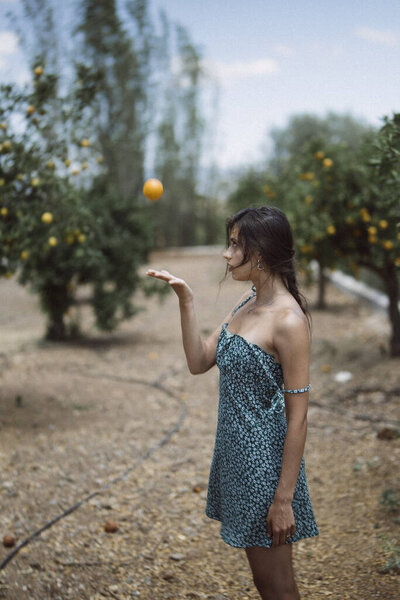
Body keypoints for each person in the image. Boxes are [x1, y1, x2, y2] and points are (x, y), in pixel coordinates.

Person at [145, 205, 319, 600]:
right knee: (267, 581)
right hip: (235, 460)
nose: (226, 253)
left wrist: (283, 499)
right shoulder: (247, 299)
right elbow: (199, 360)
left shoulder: (288, 322)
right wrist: (185, 301)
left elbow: (299, 420)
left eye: (234, 244)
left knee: (275, 584)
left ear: (259, 253)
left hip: (265, 470)